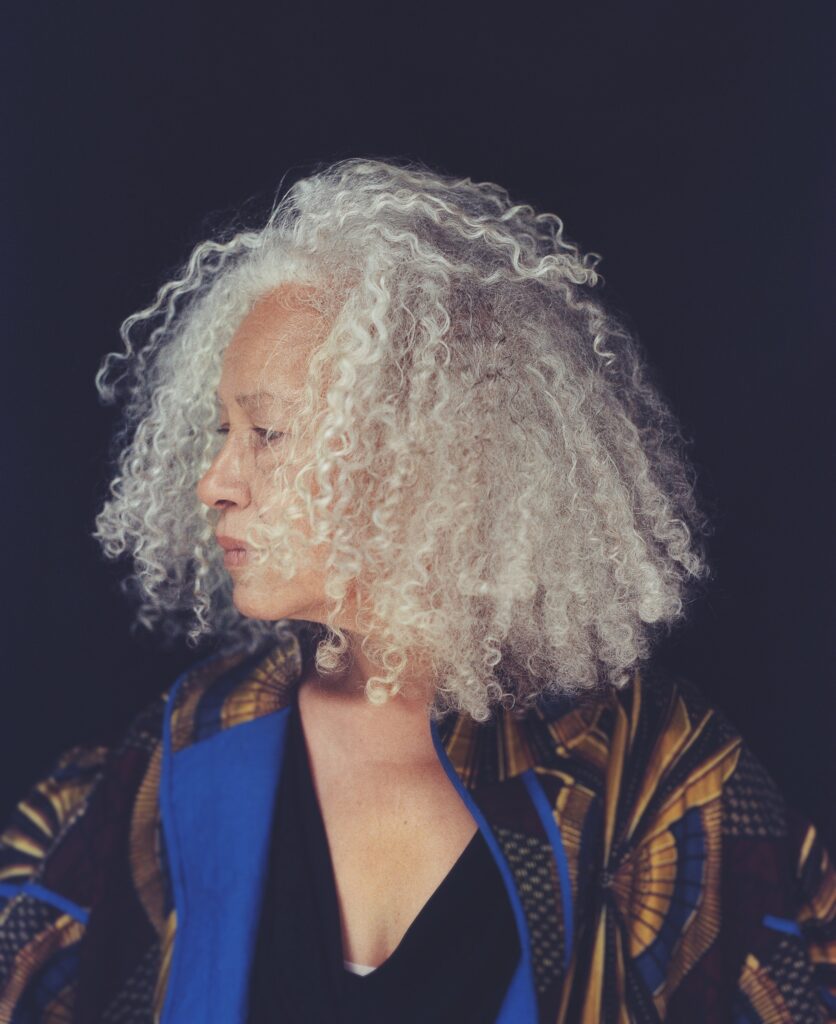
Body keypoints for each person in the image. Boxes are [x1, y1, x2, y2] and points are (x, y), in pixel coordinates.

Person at [0, 157, 833, 1024]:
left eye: (268, 433)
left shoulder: (653, 783)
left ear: (426, 456)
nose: (214, 480)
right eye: (222, 431)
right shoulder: (197, 740)